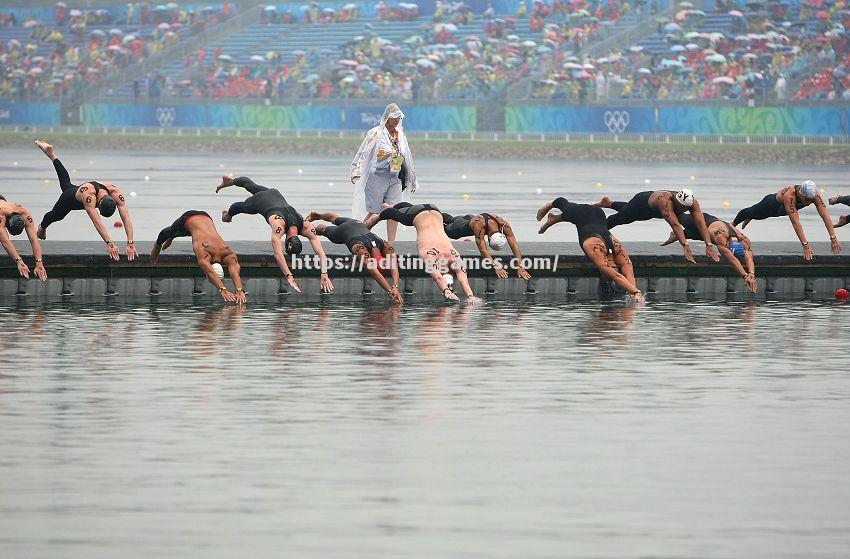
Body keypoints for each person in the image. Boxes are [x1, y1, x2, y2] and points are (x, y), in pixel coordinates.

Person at [216, 174, 333, 294]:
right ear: (286, 241)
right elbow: (278, 254)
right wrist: (289, 276)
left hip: (274, 193)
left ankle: (231, 181)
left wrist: (324, 274)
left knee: (251, 185)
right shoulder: (279, 226)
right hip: (259, 202)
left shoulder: (305, 226)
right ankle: (227, 215)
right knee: (239, 207)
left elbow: (321, 253)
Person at [34, 140, 136, 261]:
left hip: (77, 190)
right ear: (98, 202)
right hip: (70, 199)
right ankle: (42, 227)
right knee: (56, 215)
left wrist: (130, 243)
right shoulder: (90, 197)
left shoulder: (115, 192)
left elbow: (126, 217)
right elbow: (97, 221)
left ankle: (51, 155)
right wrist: (110, 244)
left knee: (66, 183)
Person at [364, 202, 479, 302]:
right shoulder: (429, 254)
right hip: (417, 215)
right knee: (392, 214)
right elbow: (439, 278)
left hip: (435, 211)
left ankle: (391, 207)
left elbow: (462, 279)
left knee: (405, 209)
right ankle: (377, 217)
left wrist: (471, 295)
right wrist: (446, 290)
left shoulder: (454, 255)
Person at [537, 197, 642, 298]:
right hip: (585, 212)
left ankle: (555, 218)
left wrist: (633, 293)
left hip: (597, 214)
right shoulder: (604, 250)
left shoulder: (616, 249)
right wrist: (636, 292)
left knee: (576, 217)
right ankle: (549, 206)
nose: (612, 270)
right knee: (562, 203)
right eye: (612, 270)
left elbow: (628, 274)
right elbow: (620, 276)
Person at [350, 103, 419, 242]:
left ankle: (391, 242)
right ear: (387, 118)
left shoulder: (401, 136)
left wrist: (413, 180)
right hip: (377, 177)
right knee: (374, 211)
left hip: (395, 177)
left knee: (394, 210)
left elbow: (408, 158)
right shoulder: (376, 133)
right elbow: (364, 152)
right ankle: (358, 236)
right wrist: (356, 171)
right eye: (394, 117)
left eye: (399, 118)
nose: (397, 120)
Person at [595, 188, 720, 264]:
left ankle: (609, 203)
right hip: (641, 203)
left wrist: (708, 244)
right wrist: (685, 245)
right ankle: (598, 229)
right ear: (677, 200)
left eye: (686, 208)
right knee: (622, 218)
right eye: (682, 207)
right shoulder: (665, 200)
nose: (683, 209)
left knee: (630, 214)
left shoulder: (693, 203)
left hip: (654, 211)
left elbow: (701, 223)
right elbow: (675, 224)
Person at [306, 210, 403, 303]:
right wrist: (391, 291)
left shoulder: (385, 244)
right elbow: (375, 273)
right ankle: (311, 228)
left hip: (356, 223)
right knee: (323, 230)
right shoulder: (362, 250)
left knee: (334, 218)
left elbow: (393, 266)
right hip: (342, 232)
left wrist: (395, 286)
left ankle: (317, 215)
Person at [151, 210, 246, 304]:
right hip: (187, 218)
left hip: (206, 217)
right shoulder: (204, 252)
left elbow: (234, 272)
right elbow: (209, 272)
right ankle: (158, 248)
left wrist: (239, 291)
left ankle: (172, 237)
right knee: (164, 234)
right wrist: (223, 290)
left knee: (191, 231)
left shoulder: (227, 253)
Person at [733, 181, 840, 260]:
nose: (807, 203)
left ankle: (752, 216)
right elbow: (795, 222)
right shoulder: (790, 195)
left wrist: (833, 238)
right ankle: (732, 225)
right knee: (751, 212)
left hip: (783, 210)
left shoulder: (815, 196)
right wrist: (805, 245)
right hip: (772, 204)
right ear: (800, 193)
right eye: (806, 199)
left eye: (810, 200)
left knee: (758, 216)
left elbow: (825, 217)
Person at [661, 213, 757, 293]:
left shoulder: (744, 240)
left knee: (700, 235)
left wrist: (751, 274)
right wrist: (745, 276)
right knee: (678, 216)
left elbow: (749, 257)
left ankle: (677, 234)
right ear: (728, 244)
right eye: (727, 249)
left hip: (709, 230)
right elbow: (732, 260)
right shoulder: (720, 238)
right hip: (703, 220)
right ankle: (674, 229)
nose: (726, 249)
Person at [441, 211, 532, 280]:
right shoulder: (480, 226)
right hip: (459, 228)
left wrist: (521, 267)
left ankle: (437, 213)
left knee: (449, 219)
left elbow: (514, 246)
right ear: (489, 237)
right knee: (445, 229)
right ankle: (432, 215)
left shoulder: (503, 225)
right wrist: (495, 266)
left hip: (469, 218)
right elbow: (483, 250)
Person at [0, 194, 47, 281]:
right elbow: (5, 242)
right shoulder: (1, 215)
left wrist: (39, 262)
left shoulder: (25, 214)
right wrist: (18, 261)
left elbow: (34, 239)